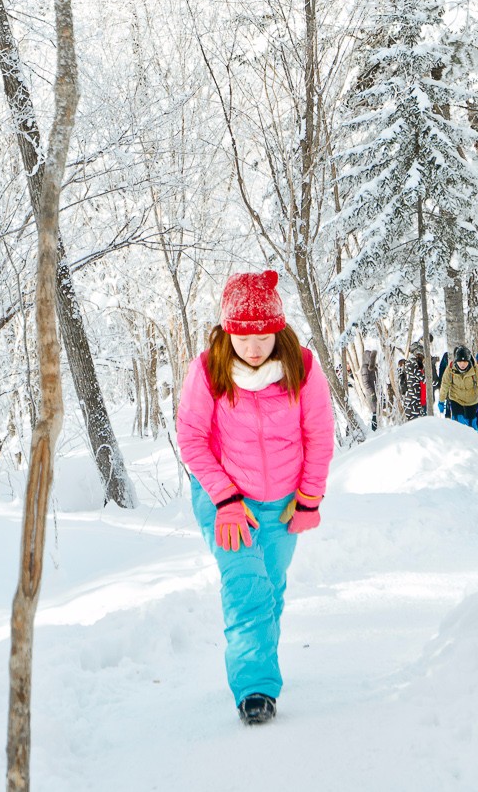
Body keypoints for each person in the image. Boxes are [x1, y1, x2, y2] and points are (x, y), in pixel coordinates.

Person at [176, 269, 337, 726]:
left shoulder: (302, 367)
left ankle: (260, 659)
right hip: (225, 499)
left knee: (271, 585)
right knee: (247, 588)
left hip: (283, 499)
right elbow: (191, 439)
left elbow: (319, 435)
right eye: (244, 337)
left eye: (264, 335)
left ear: (278, 329)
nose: (254, 347)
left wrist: (310, 497)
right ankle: (255, 689)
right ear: (229, 332)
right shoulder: (208, 370)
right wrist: (225, 499)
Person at [437, 345, 478, 433]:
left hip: (472, 400)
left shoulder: (476, 369)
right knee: (458, 423)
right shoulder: (450, 369)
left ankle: (477, 442)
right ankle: (460, 443)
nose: (462, 364)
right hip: (456, 399)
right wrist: (441, 401)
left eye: (465, 362)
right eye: (460, 361)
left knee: (472, 424)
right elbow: (444, 385)